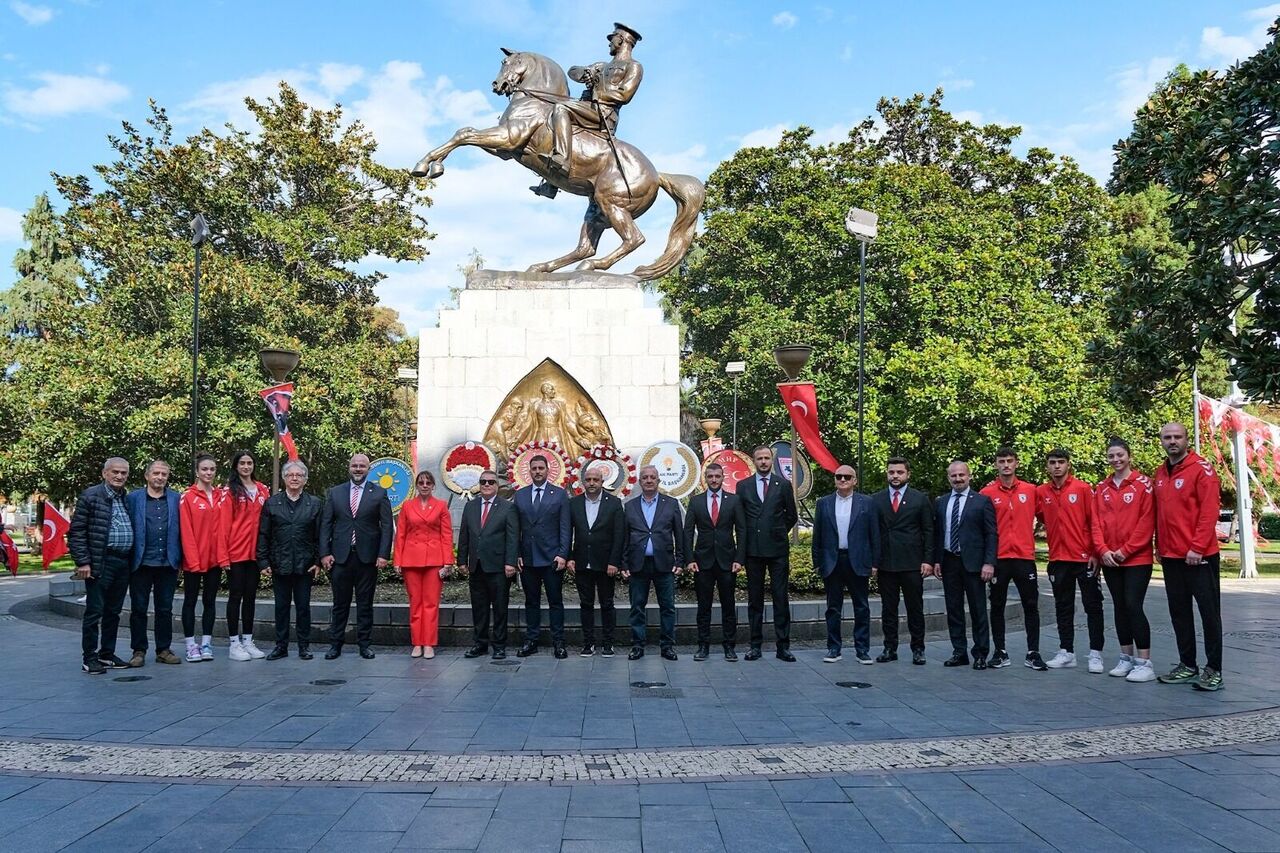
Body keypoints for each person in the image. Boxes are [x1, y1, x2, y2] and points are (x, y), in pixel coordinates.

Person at [532, 22, 644, 196]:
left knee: (561, 109)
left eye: (612, 38)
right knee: (555, 119)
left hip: (604, 114)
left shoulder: (634, 67)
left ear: (621, 40)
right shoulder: (601, 66)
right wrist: (586, 73)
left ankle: (561, 159)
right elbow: (572, 71)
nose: (609, 42)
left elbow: (625, 95)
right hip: (588, 109)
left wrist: (599, 91)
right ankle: (551, 183)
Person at [1153, 422, 1224, 691]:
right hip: (1171, 557)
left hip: (1199, 556)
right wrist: (1159, 546)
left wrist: (1197, 547)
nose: (1172, 441)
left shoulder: (1202, 470)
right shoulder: (1160, 473)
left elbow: (1209, 512)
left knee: (1209, 614)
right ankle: (1187, 665)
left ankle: (1214, 669)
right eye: (1167, 437)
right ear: (1161, 441)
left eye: (1177, 437)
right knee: (1179, 613)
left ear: (1186, 440)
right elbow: (1161, 514)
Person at [1092, 438, 1157, 683]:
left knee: (1133, 604)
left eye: (1120, 455)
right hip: (1110, 559)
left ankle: (1144, 661)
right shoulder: (1102, 487)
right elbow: (1095, 523)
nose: (1116, 460)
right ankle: (1125, 657)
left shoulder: (1144, 485)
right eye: (1111, 456)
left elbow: (1146, 522)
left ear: (1129, 456)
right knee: (1119, 606)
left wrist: (1125, 550)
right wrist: (1102, 550)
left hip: (1136, 559)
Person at [319, 453, 394, 660]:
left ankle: (364, 645)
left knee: (365, 604)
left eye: (362, 466)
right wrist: (324, 553)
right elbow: (326, 524)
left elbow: (387, 527)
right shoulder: (335, 493)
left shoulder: (379, 493)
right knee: (339, 604)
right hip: (340, 558)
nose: (358, 469)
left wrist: (383, 554)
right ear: (349, 468)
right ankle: (335, 645)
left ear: (368, 469)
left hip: (367, 558)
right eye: (355, 465)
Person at [1036, 449, 1105, 673]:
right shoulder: (1041, 492)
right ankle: (1067, 651)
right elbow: (1040, 516)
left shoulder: (1083, 489)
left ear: (1068, 465)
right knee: (1063, 607)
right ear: (1047, 466)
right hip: (1058, 559)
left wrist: (1096, 553)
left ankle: (1096, 654)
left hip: (1084, 559)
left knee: (1092, 606)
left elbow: (1094, 522)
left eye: (1061, 462)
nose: (1057, 466)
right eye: (1052, 462)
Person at [980, 448, 1046, 671]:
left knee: (1031, 604)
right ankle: (1000, 651)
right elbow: (982, 527)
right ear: (996, 464)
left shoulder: (1031, 490)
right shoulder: (986, 493)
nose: (1006, 464)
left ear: (1017, 463)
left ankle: (1033, 652)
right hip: (998, 558)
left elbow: (1047, 516)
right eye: (1001, 461)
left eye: (1010, 461)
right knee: (997, 605)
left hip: (1024, 557)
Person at [68, 457, 135, 674]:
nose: (119, 476)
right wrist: (83, 562)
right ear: (105, 473)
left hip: (122, 561)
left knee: (113, 611)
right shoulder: (91, 496)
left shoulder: (125, 497)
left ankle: (107, 654)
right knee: (95, 611)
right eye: (115, 472)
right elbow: (77, 532)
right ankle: (89, 657)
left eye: (123, 473)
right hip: (100, 562)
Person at [813, 464, 881, 665]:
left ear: (855, 481)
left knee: (862, 607)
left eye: (847, 477)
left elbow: (874, 535)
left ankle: (862, 649)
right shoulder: (823, 503)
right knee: (833, 607)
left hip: (858, 561)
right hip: (833, 561)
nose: (842, 480)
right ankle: (834, 648)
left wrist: (875, 563)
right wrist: (817, 562)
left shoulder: (867, 503)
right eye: (838, 476)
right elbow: (818, 535)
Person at [934, 460, 997, 670]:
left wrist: (989, 563)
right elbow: (938, 534)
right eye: (953, 475)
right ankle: (959, 652)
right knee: (953, 609)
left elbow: (991, 534)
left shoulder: (982, 501)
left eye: (961, 475)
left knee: (978, 609)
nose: (958, 479)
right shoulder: (941, 502)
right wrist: (937, 560)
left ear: (969, 476)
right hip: (949, 561)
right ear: (948, 478)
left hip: (974, 564)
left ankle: (980, 654)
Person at [737, 445, 799, 662]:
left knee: (780, 598)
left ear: (771, 460)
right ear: (753, 461)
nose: (763, 462)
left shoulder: (782, 485)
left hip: (777, 550)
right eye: (759, 458)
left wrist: (778, 531)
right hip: (753, 551)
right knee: (755, 600)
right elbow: (740, 520)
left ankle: (783, 646)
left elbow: (791, 515)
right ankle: (755, 646)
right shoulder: (742, 486)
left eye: (766, 458)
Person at [871, 457, 934, 665]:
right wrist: (873, 561)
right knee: (888, 608)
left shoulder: (920, 499)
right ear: (887, 474)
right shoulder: (877, 499)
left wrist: (928, 560)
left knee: (914, 608)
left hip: (912, 563)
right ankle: (890, 648)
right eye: (891, 472)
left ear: (908, 474)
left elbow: (928, 531)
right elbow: (873, 533)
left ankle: (918, 648)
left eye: (899, 472)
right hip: (886, 563)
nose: (895, 476)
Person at [257, 460, 322, 661]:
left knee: (303, 607)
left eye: (299, 475)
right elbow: (263, 534)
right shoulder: (272, 503)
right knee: (281, 607)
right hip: (280, 563)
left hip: (305, 565)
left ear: (305, 479)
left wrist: (319, 561)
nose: (294, 478)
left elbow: (321, 535)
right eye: (290, 475)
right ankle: (281, 646)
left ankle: (304, 646)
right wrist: (263, 561)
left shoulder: (315, 503)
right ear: (284, 478)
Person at [622, 465, 685, 660]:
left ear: (658, 481)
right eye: (645, 477)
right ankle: (638, 646)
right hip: (637, 564)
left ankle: (667, 646)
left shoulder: (671, 504)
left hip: (664, 563)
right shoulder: (629, 506)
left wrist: (680, 560)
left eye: (652, 477)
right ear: (639, 482)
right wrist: (623, 563)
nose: (649, 480)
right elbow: (624, 537)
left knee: (667, 607)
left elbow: (679, 535)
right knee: (637, 607)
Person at [513, 454, 572, 659]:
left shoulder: (559, 494)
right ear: (529, 471)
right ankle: (532, 640)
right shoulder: (520, 495)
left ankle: (559, 642)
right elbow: (515, 529)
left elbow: (565, 527)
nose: (537, 471)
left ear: (547, 470)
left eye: (541, 468)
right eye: (534, 468)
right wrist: (517, 554)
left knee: (555, 601)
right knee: (531, 601)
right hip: (528, 558)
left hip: (552, 558)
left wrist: (563, 554)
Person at [684, 462, 744, 661]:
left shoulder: (734, 501)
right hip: (703, 562)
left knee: (728, 606)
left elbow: (742, 531)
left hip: (728, 562)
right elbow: (686, 532)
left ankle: (729, 647)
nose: (714, 480)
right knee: (704, 607)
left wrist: (739, 558)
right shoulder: (696, 502)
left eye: (717, 476)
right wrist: (689, 558)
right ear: (705, 478)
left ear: (723, 477)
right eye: (710, 476)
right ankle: (703, 646)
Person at [125, 459, 183, 667]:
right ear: (147, 476)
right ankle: (138, 651)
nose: (160, 477)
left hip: (167, 562)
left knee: (165, 609)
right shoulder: (132, 499)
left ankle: (163, 649)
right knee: (139, 608)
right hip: (141, 562)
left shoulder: (177, 499)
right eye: (156, 473)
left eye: (164, 474)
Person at [457, 469, 519, 660]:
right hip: (476, 566)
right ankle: (480, 644)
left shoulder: (507, 507)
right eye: (483, 482)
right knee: (479, 608)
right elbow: (464, 535)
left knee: (500, 608)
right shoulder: (471, 506)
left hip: (499, 567)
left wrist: (511, 562)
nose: (486, 485)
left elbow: (512, 537)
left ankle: (499, 646)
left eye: (491, 482)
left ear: (497, 486)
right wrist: (462, 560)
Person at [394, 470, 454, 659]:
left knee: (430, 604)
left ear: (433, 485)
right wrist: (397, 560)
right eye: (421, 482)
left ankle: (429, 643)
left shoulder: (441, 506)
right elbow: (401, 534)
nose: (425, 485)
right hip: (411, 560)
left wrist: (448, 561)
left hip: (434, 560)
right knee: (415, 603)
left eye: (428, 482)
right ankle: (417, 643)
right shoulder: (407, 506)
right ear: (417, 485)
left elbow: (447, 535)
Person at [567, 463, 625, 657]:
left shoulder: (614, 503)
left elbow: (619, 536)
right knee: (586, 604)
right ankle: (588, 643)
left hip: (605, 564)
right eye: (589, 479)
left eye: (596, 480)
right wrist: (569, 558)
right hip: (582, 562)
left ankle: (608, 643)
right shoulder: (573, 503)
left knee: (607, 604)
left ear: (602, 482)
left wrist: (614, 562)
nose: (592, 483)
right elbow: (568, 533)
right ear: (583, 482)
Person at [180, 454, 230, 663]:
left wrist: (223, 557)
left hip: (214, 560)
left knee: (210, 601)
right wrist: (192, 560)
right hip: (194, 560)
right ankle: (191, 645)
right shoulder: (187, 497)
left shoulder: (221, 496)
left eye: (212, 469)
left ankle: (207, 642)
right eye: (204, 469)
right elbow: (186, 531)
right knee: (190, 601)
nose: (208, 473)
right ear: (197, 472)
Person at [225, 451, 269, 662]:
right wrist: (223, 555)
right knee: (236, 596)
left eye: (249, 463)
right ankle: (234, 643)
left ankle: (248, 640)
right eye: (242, 463)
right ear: (235, 466)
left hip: (255, 553)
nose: (246, 466)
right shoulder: (229, 491)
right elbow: (223, 525)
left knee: (251, 596)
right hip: (236, 551)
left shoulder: (262, 489)